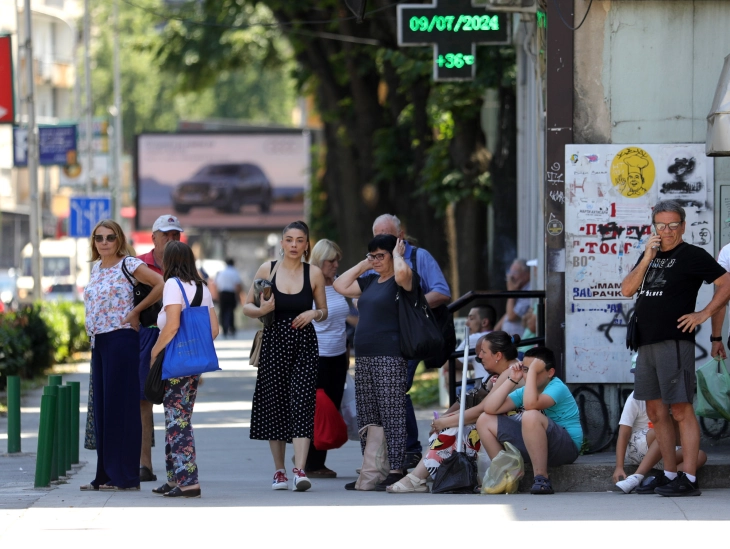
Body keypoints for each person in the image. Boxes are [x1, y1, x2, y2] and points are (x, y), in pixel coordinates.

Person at [621, 199, 730, 496]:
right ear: (653, 226)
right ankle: (670, 474)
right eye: (661, 225)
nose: (667, 230)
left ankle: (690, 479)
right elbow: (627, 289)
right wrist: (646, 257)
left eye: (672, 225)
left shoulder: (692, 255)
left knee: (681, 410)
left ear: (683, 225)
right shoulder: (650, 255)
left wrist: (704, 314)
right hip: (645, 342)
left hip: (675, 341)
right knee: (656, 413)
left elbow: (727, 282)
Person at [244, 221, 328, 492]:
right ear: (282, 242)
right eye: (289, 239)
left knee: (303, 401)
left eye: (299, 240)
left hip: (304, 343)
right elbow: (247, 305)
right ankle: (279, 471)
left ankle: (300, 470)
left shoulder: (313, 273)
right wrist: (262, 309)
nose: (294, 245)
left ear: (306, 245)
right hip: (274, 343)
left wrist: (313, 313)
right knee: (275, 404)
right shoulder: (267, 270)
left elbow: (324, 310)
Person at [80, 220, 164, 491]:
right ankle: (105, 475)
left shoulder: (128, 264)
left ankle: (126, 476)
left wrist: (136, 311)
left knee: (123, 409)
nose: (104, 242)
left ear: (119, 239)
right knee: (103, 409)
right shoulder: (96, 268)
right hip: (100, 343)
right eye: (99, 238)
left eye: (110, 237)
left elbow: (160, 283)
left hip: (122, 339)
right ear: (93, 242)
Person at [387, 331, 522, 493]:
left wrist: (446, 421)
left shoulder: (511, 372)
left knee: (454, 429)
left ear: (498, 355)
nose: (479, 356)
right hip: (501, 424)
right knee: (453, 425)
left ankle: (417, 477)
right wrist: (448, 418)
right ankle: (418, 476)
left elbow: (483, 409)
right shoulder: (504, 372)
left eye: (483, 352)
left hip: (514, 429)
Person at [334, 234, 414, 491]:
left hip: (390, 354)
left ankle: (396, 469)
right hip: (366, 356)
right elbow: (340, 285)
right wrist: (365, 264)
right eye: (373, 255)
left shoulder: (402, 279)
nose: (377, 260)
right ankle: (371, 469)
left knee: (392, 412)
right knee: (368, 413)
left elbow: (403, 275)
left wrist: (399, 256)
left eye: (381, 255)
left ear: (394, 254)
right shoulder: (370, 281)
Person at [371, 213, 451, 470]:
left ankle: (410, 450)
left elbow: (442, 291)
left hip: (411, 335)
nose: (382, 240)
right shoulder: (373, 262)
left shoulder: (419, 257)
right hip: (383, 336)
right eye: (377, 236)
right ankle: (394, 453)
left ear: (400, 235)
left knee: (396, 388)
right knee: (385, 392)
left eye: (388, 235)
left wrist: (410, 307)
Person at [149, 241, 219, 498]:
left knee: (177, 423)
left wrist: (155, 351)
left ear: (167, 262)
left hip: (175, 362)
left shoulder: (172, 285)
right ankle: (173, 478)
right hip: (193, 365)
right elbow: (214, 330)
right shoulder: (202, 287)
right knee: (177, 418)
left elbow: (172, 326)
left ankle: (189, 481)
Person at [476, 347, 583, 495]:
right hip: (537, 445)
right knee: (484, 420)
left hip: (566, 447)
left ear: (550, 373)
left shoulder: (557, 387)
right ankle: (505, 477)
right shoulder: (526, 391)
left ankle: (542, 478)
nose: (527, 376)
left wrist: (530, 372)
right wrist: (513, 379)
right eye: (525, 370)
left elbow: (531, 405)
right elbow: (489, 408)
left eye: (534, 371)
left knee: (530, 415)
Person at [136, 214, 183, 483]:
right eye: (166, 234)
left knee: (176, 405)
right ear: (154, 237)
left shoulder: (186, 267)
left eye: (175, 234)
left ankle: (177, 466)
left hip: (177, 338)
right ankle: (145, 464)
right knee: (144, 401)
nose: (171, 238)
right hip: (146, 337)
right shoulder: (139, 264)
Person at [305, 239, 351, 478]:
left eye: (337, 260)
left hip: (338, 356)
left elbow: (343, 318)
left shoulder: (339, 283)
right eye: (331, 260)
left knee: (332, 408)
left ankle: (314, 459)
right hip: (317, 357)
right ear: (319, 261)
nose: (335, 264)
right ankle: (311, 462)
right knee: (320, 411)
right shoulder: (310, 285)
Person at [613, 390, 707, 494]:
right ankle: (636, 476)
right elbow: (623, 434)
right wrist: (619, 467)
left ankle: (660, 479)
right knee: (661, 433)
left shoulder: (672, 397)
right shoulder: (635, 397)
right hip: (637, 448)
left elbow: (677, 440)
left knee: (700, 455)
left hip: (663, 452)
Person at [444, 305, 496, 392]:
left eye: (471, 319)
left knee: (449, 373)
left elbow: (447, 364)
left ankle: (461, 404)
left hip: (484, 390)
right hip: (501, 386)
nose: (467, 323)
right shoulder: (501, 335)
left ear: (484, 322)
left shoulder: (476, 338)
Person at [495, 259, 531, 337]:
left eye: (515, 273)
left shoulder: (529, 290)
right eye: (510, 272)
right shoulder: (520, 289)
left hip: (519, 341)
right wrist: (495, 330)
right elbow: (508, 313)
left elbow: (512, 316)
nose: (511, 277)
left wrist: (511, 292)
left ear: (526, 274)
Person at [215, 258, 244, 337]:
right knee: (231, 311)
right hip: (231, 293)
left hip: (222, 293)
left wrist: (217, 296)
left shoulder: (222, 272)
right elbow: (237, 285)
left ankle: (224, 329)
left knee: (223, 311)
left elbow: (216, 284)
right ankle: (231, 328)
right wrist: (238, 295)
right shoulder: (234, 272)